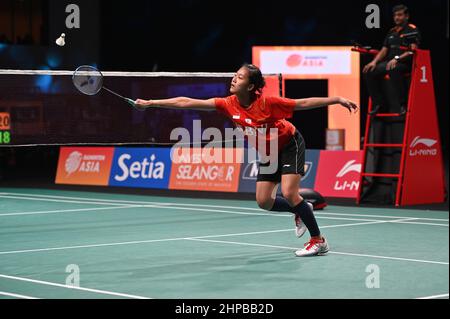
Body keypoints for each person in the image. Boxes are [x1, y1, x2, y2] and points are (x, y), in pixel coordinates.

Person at [135, 64, 358, 257]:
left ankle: (318, 241)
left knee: (290, 193)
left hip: (290, 143)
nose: (234, 78)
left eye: (240, 77)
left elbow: (303, 102)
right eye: (235, 75)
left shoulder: (268, 103)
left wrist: (337, 99)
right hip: (269, 151)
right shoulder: (227, 103)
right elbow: (186, 102)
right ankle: (300, 209)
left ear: (251, 86)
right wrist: (151, 102)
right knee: (264, 201)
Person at [363, 4, 421, 115]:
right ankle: (378, 104)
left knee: (393, 69)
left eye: (399, 15)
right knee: (369, 71)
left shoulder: (412, 30)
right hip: (390, 62)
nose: (396, 18)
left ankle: (402, 105)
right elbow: (384, 49)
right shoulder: (392, 31)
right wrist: (373, 62)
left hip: (405, 63)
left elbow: (412, 50)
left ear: (406, 16)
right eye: (395, 15)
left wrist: (397, 58)